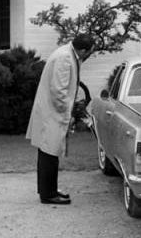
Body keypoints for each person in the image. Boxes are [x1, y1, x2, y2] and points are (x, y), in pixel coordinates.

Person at [26, 34, 94, 205]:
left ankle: (49, 190)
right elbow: (59, 91)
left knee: (50, 151)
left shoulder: (68, 54)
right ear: (84, 50)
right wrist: (68, 114)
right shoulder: (65, 58)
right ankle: (48, 194)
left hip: (52, 112)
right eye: (90, 51)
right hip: (53, 112)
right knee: (49, 152)